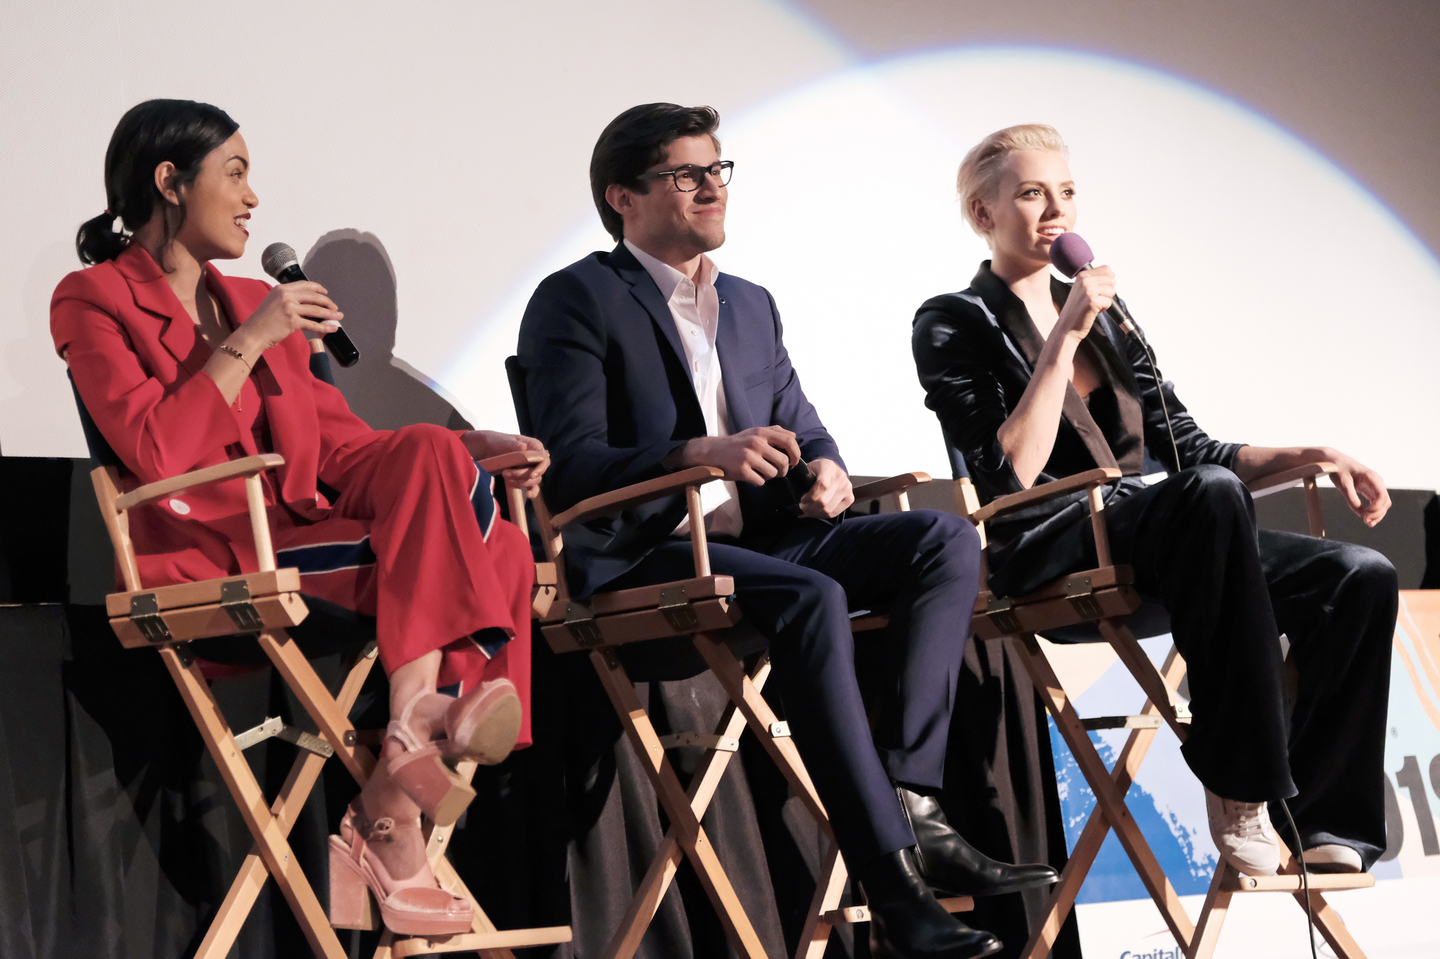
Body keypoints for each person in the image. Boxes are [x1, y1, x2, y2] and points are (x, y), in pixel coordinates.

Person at [517, 103, 1058, 959]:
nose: (710, 187)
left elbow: (804, 424)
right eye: (686, 173)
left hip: (761, 540)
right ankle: (897, 888)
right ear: (624, 197)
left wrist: (826, 471)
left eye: (716, 170)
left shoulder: (751, 305)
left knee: (944, 540)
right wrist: (704, 451)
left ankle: (914, 794)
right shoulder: (577, 298)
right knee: (812, 596)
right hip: (646, 551)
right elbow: (573, 463)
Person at [52, 99, 549, 937]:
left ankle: (403, 741)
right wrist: (248, 339)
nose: (253, 199)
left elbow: (343, 450)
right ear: (169, 181)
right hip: (215, 551)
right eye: (236, 173)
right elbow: (156, 450)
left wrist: (470, 447)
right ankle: (398, 791)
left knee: (447, 471)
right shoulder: (96, 297)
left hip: (304, 527)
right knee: (492, 550)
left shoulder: (255, 296)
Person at [912, 123, 1396, 878]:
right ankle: (1240, 784)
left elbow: (1192, 450)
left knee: (1357, 574)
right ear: (983, 214)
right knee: (1205, 497)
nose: (1055, 212)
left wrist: (1318, 453)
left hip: (1170, 536)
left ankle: (1328, 818)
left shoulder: (1111, 318)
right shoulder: (953, 320)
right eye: (1032, 193)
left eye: (1066, 192)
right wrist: (1063, 336)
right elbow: (1008, 474)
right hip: (1047, 544)